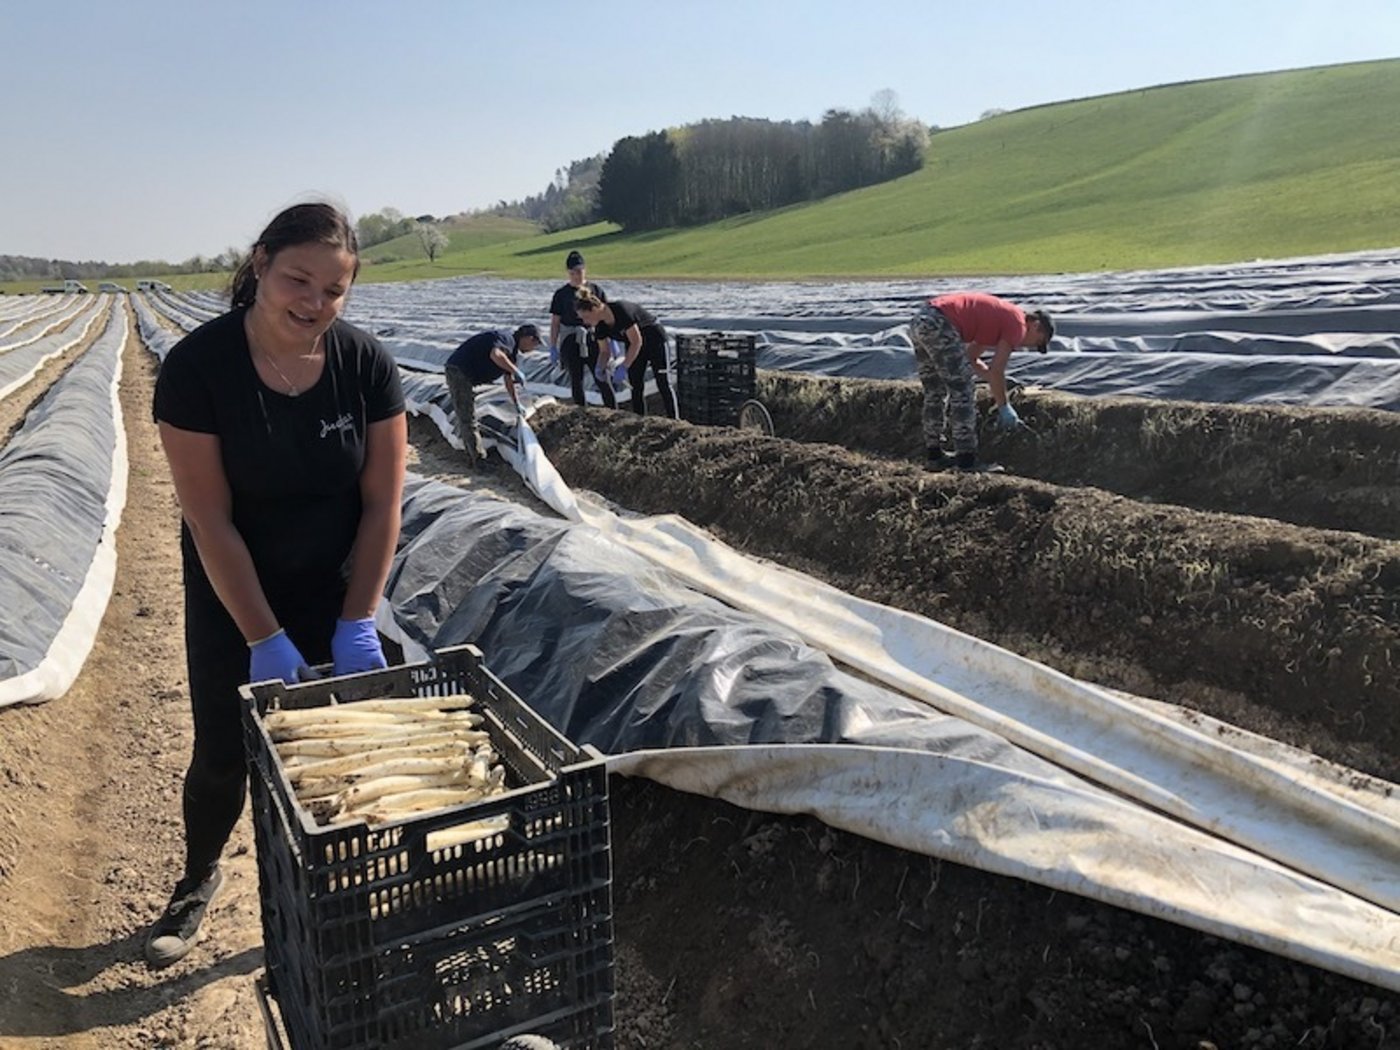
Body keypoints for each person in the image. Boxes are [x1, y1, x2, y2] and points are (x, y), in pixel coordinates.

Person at [147, 201, 408, 968]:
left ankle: (344, 898)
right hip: (236, 586)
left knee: (341, 745)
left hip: (336, 584)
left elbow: (382, 503)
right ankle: (198, 878)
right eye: (299, 279)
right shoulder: (200, 369)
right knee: (224, 752)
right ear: (260, 263)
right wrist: (262, 634)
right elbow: (208, 518)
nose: (315, 304)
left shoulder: (364, 365)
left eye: (335, 292)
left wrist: (356, 620)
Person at [908, 292, 1053, 472]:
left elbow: (972, 358)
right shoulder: (1018, 323)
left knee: (935, 391)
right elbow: (998, 369)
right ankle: (967, 460)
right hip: (940, 323)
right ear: (1035, 325)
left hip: (921, 320)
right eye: (1037, 342)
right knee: (964, 391)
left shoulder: (1001, 317)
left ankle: (934, 455)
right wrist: (1004, 406)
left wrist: (993, 380)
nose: (1027, 346)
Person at [443, 324, 544, 464]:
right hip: (459, 371)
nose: (534, 349)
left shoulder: (512, 353)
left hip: (467, 376)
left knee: (469, 416)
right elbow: (495, 354)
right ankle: (478, 459)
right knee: (467, 417)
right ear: (528, 338)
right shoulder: (506, 338)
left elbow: (508, 380)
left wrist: (516, 403)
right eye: (535, 344)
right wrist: (515, 371)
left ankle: (475, 453)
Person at [574, 290, 678, 418]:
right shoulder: (600, 327)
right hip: (633, 344)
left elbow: (637, 341)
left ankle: (674, 419)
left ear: (595, 309)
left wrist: (624, 366)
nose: (585, 322)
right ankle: (639, 420)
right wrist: (599, 367)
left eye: (586, 317)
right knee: (635, 385)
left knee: (663, 382)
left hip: (653, 339)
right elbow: (604, 351)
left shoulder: (621, 311)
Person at [548, 250, 615, 408]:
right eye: (573, 273)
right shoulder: (561, 294)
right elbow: (555, 322)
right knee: (576, 379)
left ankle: (613, 411)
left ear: (585, 270)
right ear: (568, 273)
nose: (576, 276)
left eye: (579, 272)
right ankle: (581, 412)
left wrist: (611, 340)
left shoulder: (596, 290)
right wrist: (553, 345)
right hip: (571, 339)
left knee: (601, 376)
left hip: (593, 338)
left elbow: (607, 316)